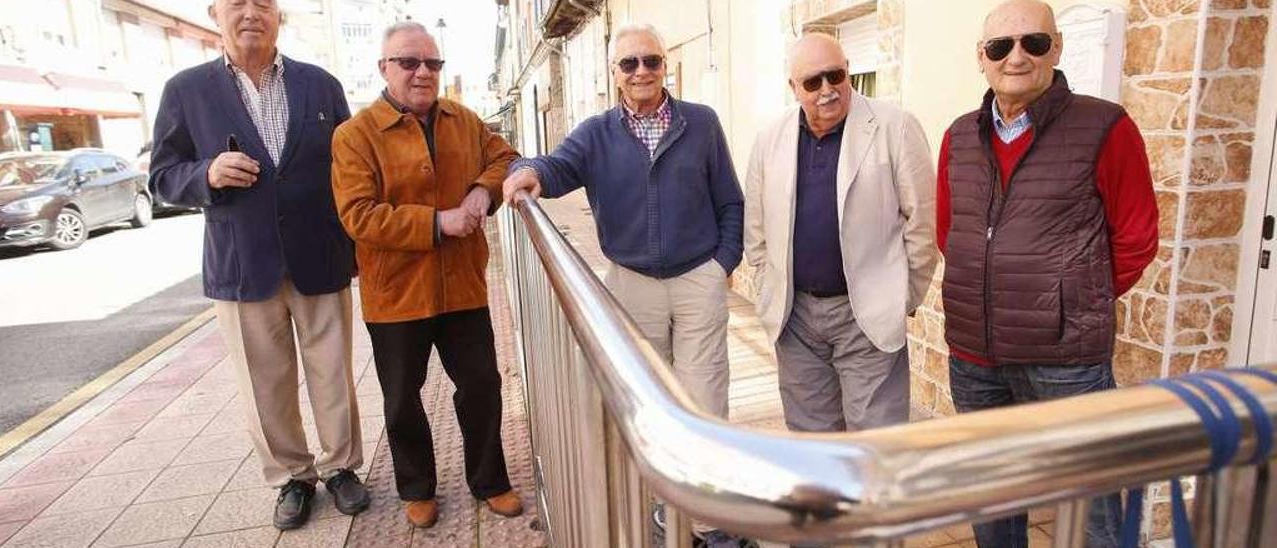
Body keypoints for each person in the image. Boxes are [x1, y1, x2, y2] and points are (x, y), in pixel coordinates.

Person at [501, 23, 746, 548]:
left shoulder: (701, 123)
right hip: (632, 284)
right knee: (649, 406)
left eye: (651, 62)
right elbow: (558, 165)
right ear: (614, 73)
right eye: (629, 64)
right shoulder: (596, 133)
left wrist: (722, 263)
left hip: (698, 279)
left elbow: (730, 199)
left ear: (665, 67)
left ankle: (708, 524)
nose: (641, 72)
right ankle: (665, 509)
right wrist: (526, 171)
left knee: (705, 402)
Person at [936, 1, 1159, 546]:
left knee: (1093, 507)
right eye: (1000, 46)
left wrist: (1072, 301)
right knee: (992, 500)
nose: (1016, 56)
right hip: (976, 357)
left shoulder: (1106, 126)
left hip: (1066, 361)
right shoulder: (959, 136)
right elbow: (949, 231)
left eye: (1033, 43)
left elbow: (1136, 237)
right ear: (982, 59)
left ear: (1056, 49)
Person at [149, 0, 367, 531]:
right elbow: (162, 176)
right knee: (263, 380)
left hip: (319, 253)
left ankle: (340, 467)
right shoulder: (187, 89)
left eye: (263, 3)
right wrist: (206, 173)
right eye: (237, 3)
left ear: (279, 16)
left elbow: (353, 166)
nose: (251, 12)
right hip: (243, 264)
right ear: (214, 13)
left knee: (333, 371)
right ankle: (292, 477)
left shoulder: (320, 84)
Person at [330, 22, 522, 529]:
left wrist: (484, 191)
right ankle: (416, 487)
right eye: (408, 62)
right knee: (401, 398)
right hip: (396, 295)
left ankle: (491, 480)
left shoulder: (464, 119)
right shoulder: (354, 136)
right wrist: (439, 223)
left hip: (462, 287)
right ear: (383, 68)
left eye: (432, 64)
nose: (422, 73)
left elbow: (506, 158)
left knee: (481, 386)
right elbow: (360, 215)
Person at [744, 32, 937, 435]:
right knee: (814, 447)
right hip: (795, 318)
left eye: (836, 76)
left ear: (848, 71)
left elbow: (922, 225)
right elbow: (756, 231)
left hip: (864, 315)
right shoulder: (769, 139)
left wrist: (899, 298)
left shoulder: (894, 127)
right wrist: (768, 290)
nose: (828, 90)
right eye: (813, 82)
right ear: (793, 87)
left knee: (877, 445)